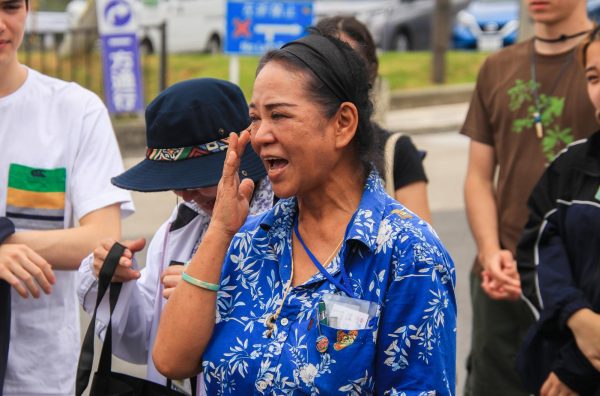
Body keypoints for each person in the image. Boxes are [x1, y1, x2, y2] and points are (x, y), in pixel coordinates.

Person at [153, 30, 457, 395]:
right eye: (255, 118)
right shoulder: (248, 241)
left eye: (278, 115)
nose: (260, 135)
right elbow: (172, 360)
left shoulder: (408, 253)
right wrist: (219, 229)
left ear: (342, 123)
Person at [77, 77, 273, 394]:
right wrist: (117, 282)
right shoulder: (181, 223)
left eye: (198, 181)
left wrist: (204, 294)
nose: (186, 194)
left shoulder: (283, 216)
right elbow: (146, 342)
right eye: (176, 183)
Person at [461, 0, 598, 393]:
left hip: (582, 286)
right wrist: (490, 251)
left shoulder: (596, 59)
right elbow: (478, 176)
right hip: (500, 279)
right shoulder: (497, 66)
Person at [0, 0, 134, 393]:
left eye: (9, 7)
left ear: (29, 9)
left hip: (37, 374)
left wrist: (6, 245)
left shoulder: (75, 111)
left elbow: (101, 240)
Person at [515, 27, 600, 396]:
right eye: (595, 77)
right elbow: (537, 249)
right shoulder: (572, 166)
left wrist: (578, 367)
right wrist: (577, 317)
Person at [315, 16, 432, 223]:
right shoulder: (292, 151)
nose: (339, 78)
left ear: (371, 72)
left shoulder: (397, 151)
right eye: (326, 66)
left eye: (351, 65)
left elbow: (422, 250)